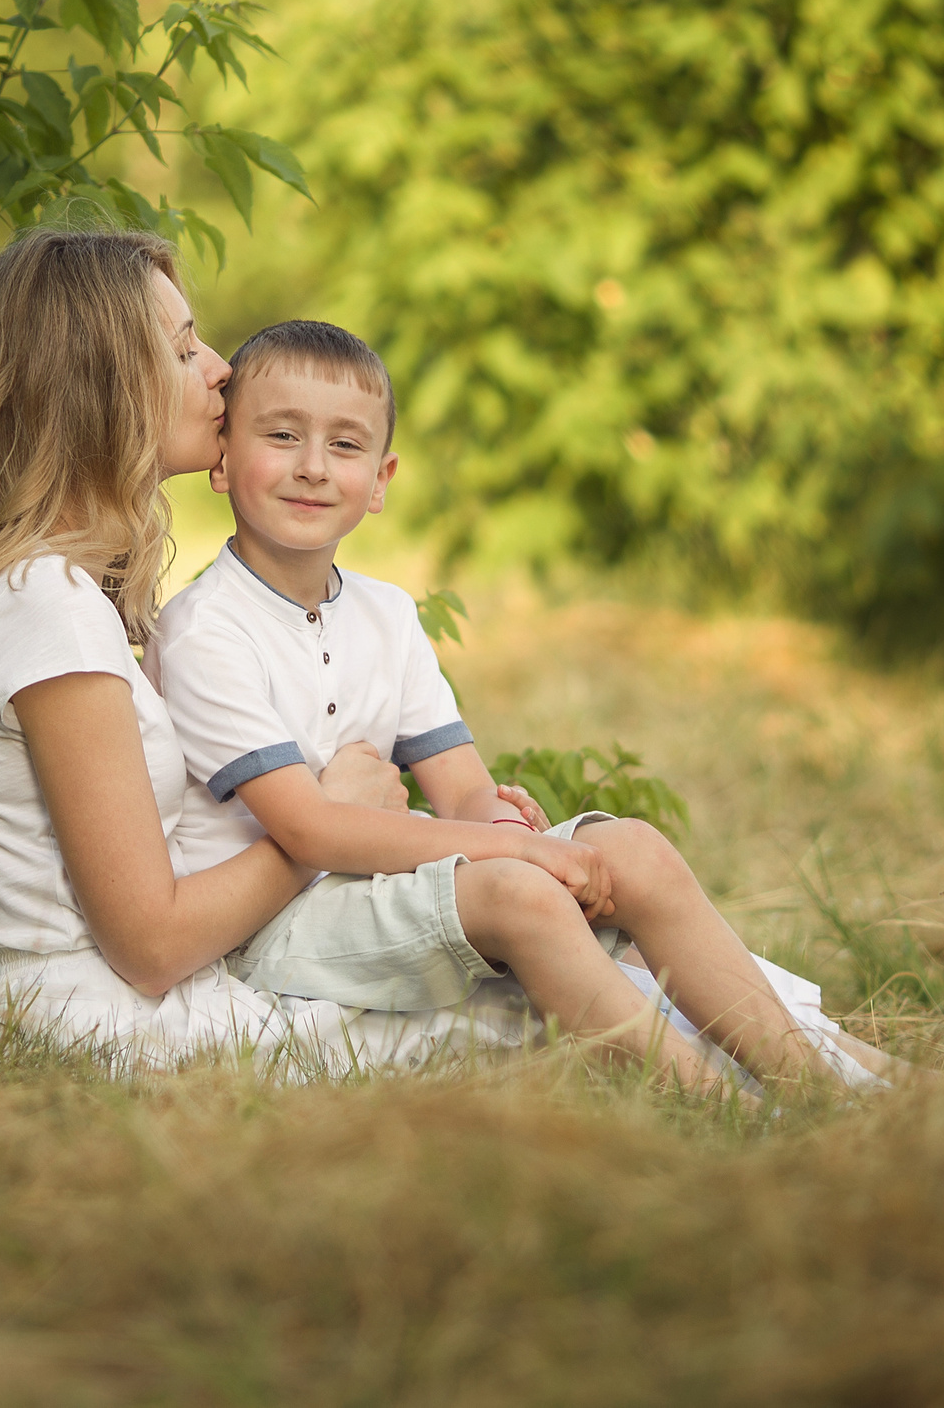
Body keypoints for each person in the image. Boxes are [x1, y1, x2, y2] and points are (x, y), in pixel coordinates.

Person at [149, 319, 899, 1092]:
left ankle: (812, 1078)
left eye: (344, 445)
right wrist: (519, 854)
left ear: (380, 480)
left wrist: (500, 820)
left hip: (380, 892)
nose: (312, 466)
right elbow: (308, 825)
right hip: (279, 928)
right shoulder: (206, 630)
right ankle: (716, 1102)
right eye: (281, 435)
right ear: (224, 456)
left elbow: (461, 786)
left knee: (630, 847)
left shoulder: (388, 614)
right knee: (518, 888)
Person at [0, 227, 541, 1076]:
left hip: (130, 1008)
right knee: (534, 1010)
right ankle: (762, 1072)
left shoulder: (45, 591)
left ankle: (760, 1046)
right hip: (102, 1027)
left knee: (534, 973)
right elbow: (152, 942)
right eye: (185, 347)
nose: (220, 367)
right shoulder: (44, 604)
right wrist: (329, 820)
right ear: (101, 385)